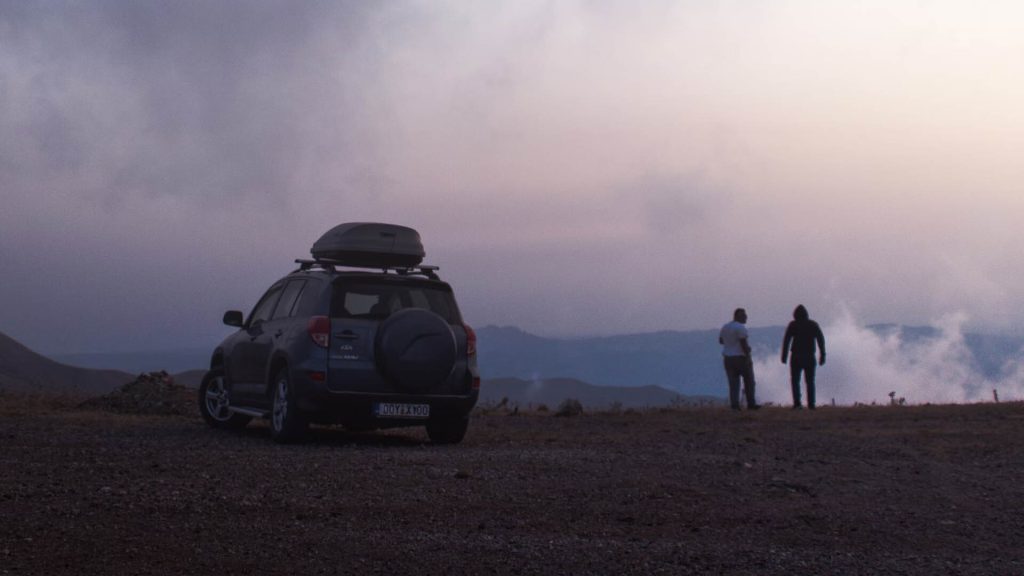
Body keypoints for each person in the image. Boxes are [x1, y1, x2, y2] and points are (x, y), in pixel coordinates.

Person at [780, 305, 826, 409]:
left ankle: (797, 403)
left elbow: (787, 341)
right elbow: (821, 340)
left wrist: (784, 356)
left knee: (795, 380)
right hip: (810, 356)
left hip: (796, 356)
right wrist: (822, 355)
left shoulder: (793, 325)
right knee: (810, 381)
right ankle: (811, 404)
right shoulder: (813, 324)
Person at [719, 308, 758, 410]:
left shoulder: (725, 327)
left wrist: (730, 344)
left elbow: (721, 341)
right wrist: (748, 356)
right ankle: (751, 404)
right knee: (749, 380)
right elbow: (743, 343)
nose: (746, 317)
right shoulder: (741, 328)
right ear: (738, 316)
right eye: (744, 315)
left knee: (733, 383)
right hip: (740, 358)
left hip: (728, 358)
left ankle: (735, 405)